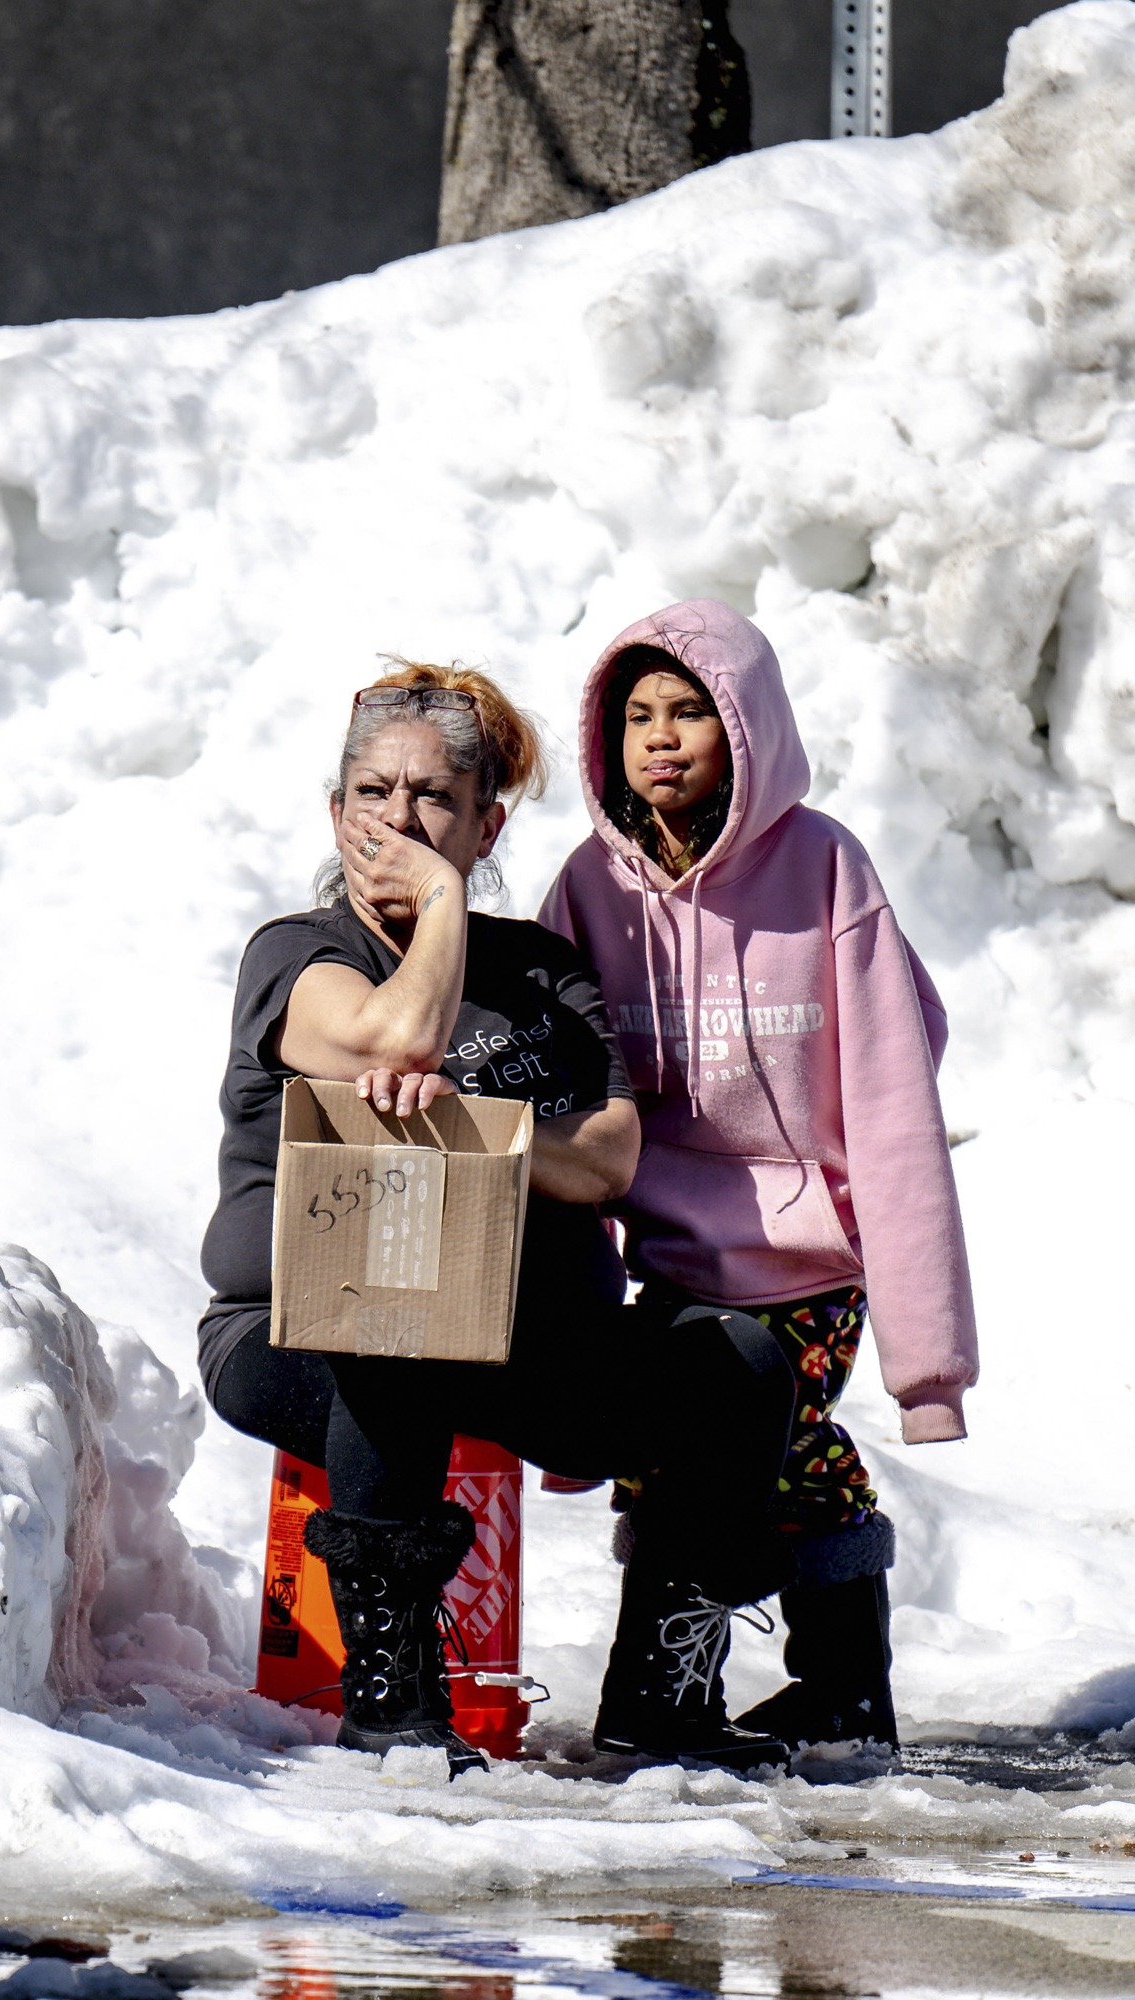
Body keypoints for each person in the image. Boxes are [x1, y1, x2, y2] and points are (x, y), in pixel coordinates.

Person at [197, 660, 803, 1775]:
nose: (399, 820)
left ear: (487, 823)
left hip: (529, 1338)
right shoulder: (298, 954)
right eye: (372, 793)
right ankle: (392, 1696)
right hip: (297, 1330)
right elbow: (392, 1040)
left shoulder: (539, 969)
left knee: (740, 1365)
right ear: (335, 813)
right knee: (401, 1316)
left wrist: (462, 1134)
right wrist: (436, 909)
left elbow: (610, 1150)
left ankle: (661, 1689)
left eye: (433, 798)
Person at [539, 599, 980, 1757]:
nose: (663, 736)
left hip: (812, 1262)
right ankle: (844, 1692)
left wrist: (928, 1367)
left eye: (689, 710)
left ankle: (658, 1698)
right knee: (752, 1452)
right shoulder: (592, 887)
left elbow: (895, 1105)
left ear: (747, 728)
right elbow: (553, 1087)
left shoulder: (826, 868)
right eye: (638, 715)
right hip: (673, 1259)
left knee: (733, 1434)